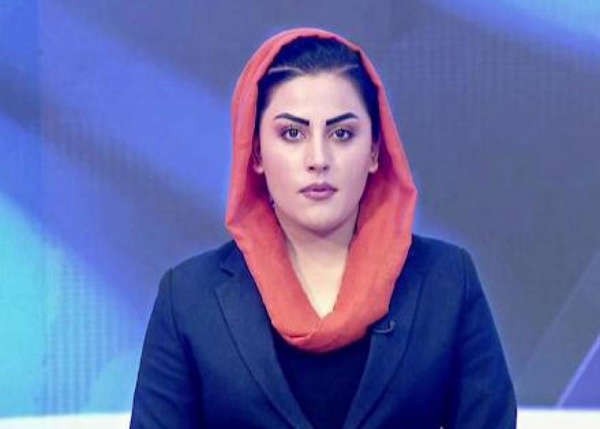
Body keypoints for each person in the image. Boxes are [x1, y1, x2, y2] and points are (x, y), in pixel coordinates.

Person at [130, 27, 516, 428]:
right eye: (292, 133)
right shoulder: (189, 298)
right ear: (255, 152)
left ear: (375, 151)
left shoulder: (446, 281)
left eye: (342, 134)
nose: (318, 158)